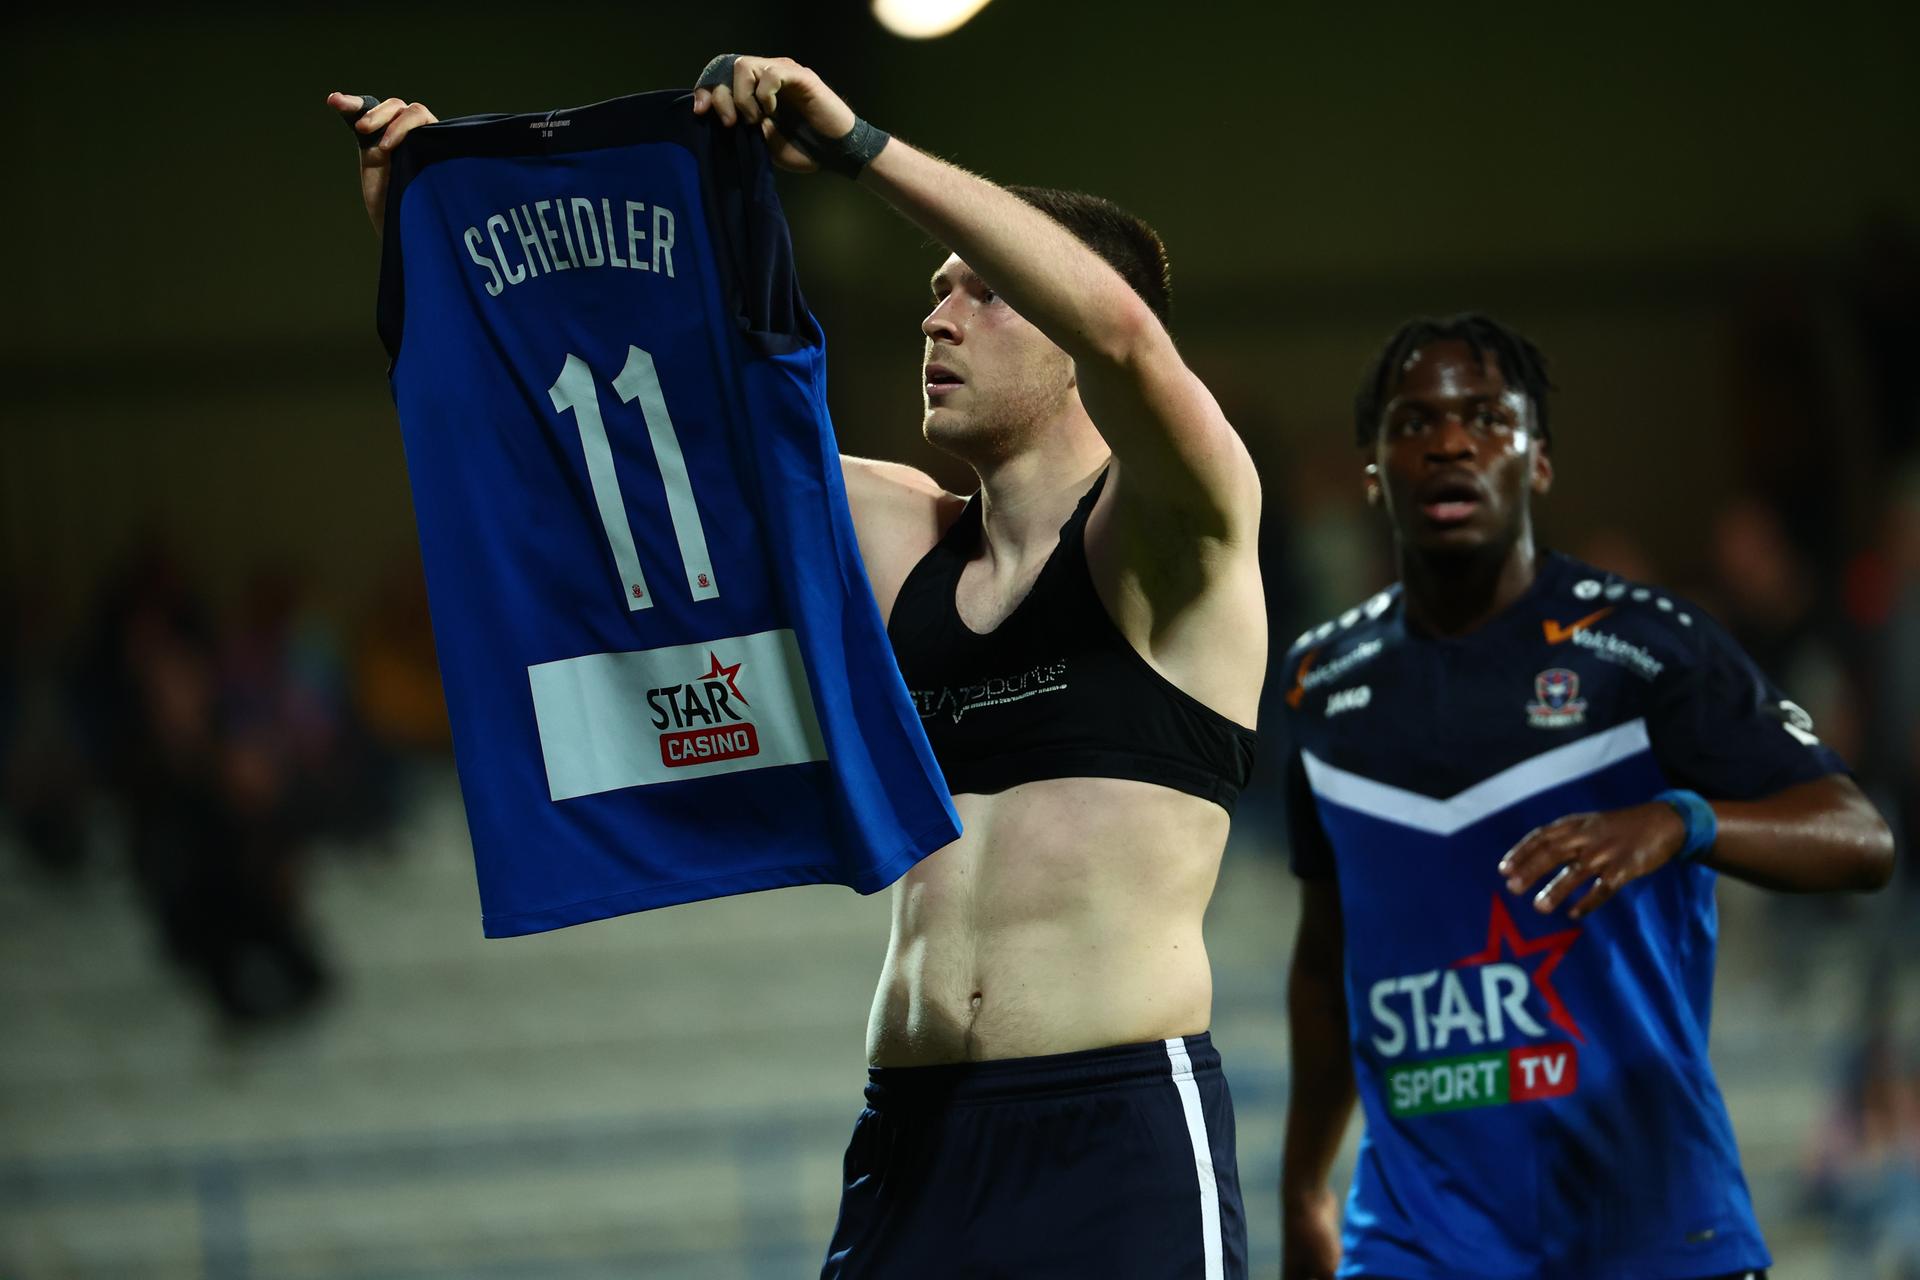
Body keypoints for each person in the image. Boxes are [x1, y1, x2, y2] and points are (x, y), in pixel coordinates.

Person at [331, 49, 1264, 1279]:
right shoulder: (901, 537)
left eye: (980, 289)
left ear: (1068, 322)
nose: (935, 315)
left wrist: (861, 147)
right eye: (937, 289)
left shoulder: (1181, 539)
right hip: (912, 1135)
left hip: (1112, 1136)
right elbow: (624, 432)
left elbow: (1134, 341)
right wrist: (446, 214)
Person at [1277, 313, 1896, 1280]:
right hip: (1415, 1245)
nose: (1449, 442)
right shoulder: (1321, 682)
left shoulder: (1649, 648)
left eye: (1487, 418)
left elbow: (1862, 840)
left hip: (1651, 1234)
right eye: (1415, 422)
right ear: (1373, 471)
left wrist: (1680, 821)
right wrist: (1304, 1188)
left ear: (1541, 461)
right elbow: (1324, 960)